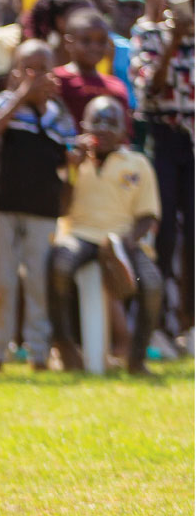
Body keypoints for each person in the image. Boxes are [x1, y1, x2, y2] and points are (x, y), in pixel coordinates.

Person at [49, 98, 162, 375]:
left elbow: (148, 215)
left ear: (124, 130)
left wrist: (126, 242)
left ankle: (136, 359)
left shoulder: (138, 163)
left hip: (123, 240)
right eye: (96, 122)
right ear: (84, 126)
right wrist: (73, 169)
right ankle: (65, 347)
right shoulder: (71, 160)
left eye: (111, 123)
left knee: (151, 284)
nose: (103, 129)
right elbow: (61, 209)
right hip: (79, 235)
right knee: (59, 267)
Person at [0, 40, 75, 372]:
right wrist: (22, 95)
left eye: (42, 70)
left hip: (44, 210)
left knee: (38, 283)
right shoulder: (5, 103)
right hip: (5, 207)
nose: (35, 77)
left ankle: (39, 352)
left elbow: (68, 156)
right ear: (16, 72)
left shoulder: (59, 115)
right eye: (28, 69)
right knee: (1, 283)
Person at [129, 0, 192, 339]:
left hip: (192, 142)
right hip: (162, 139)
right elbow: (150, 88)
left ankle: (190, 323)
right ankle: (158, 324)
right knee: (163, 232)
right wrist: (173, 41)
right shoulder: (148, 35)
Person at [53, 8, 129, 123]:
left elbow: (123, 130)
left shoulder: (117, 87)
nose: (95, 47)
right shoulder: (56, 81)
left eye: (101, 41)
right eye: (86, 40)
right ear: (69, 42)